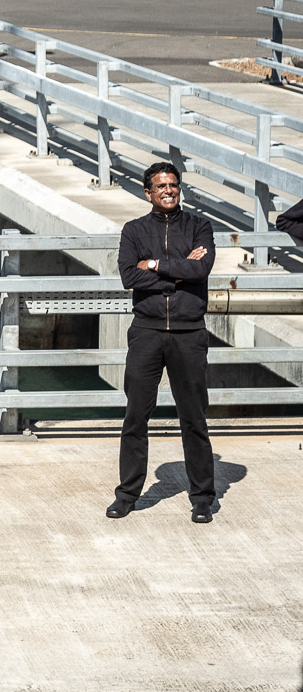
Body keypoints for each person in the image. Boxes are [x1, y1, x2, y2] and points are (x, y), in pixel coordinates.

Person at [108, 161, 216, 524]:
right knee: (136, 416)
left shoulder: (199, 226)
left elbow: (200, 269)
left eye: (173, 185)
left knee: (194, 417)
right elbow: (128, 276)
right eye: (161, 186)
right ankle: (127, 495)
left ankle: (202, 497)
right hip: (147, 332)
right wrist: (177, 271)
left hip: (189, 333)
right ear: (148, 193)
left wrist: (153, 265)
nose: (168, 190)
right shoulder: (134, 230)